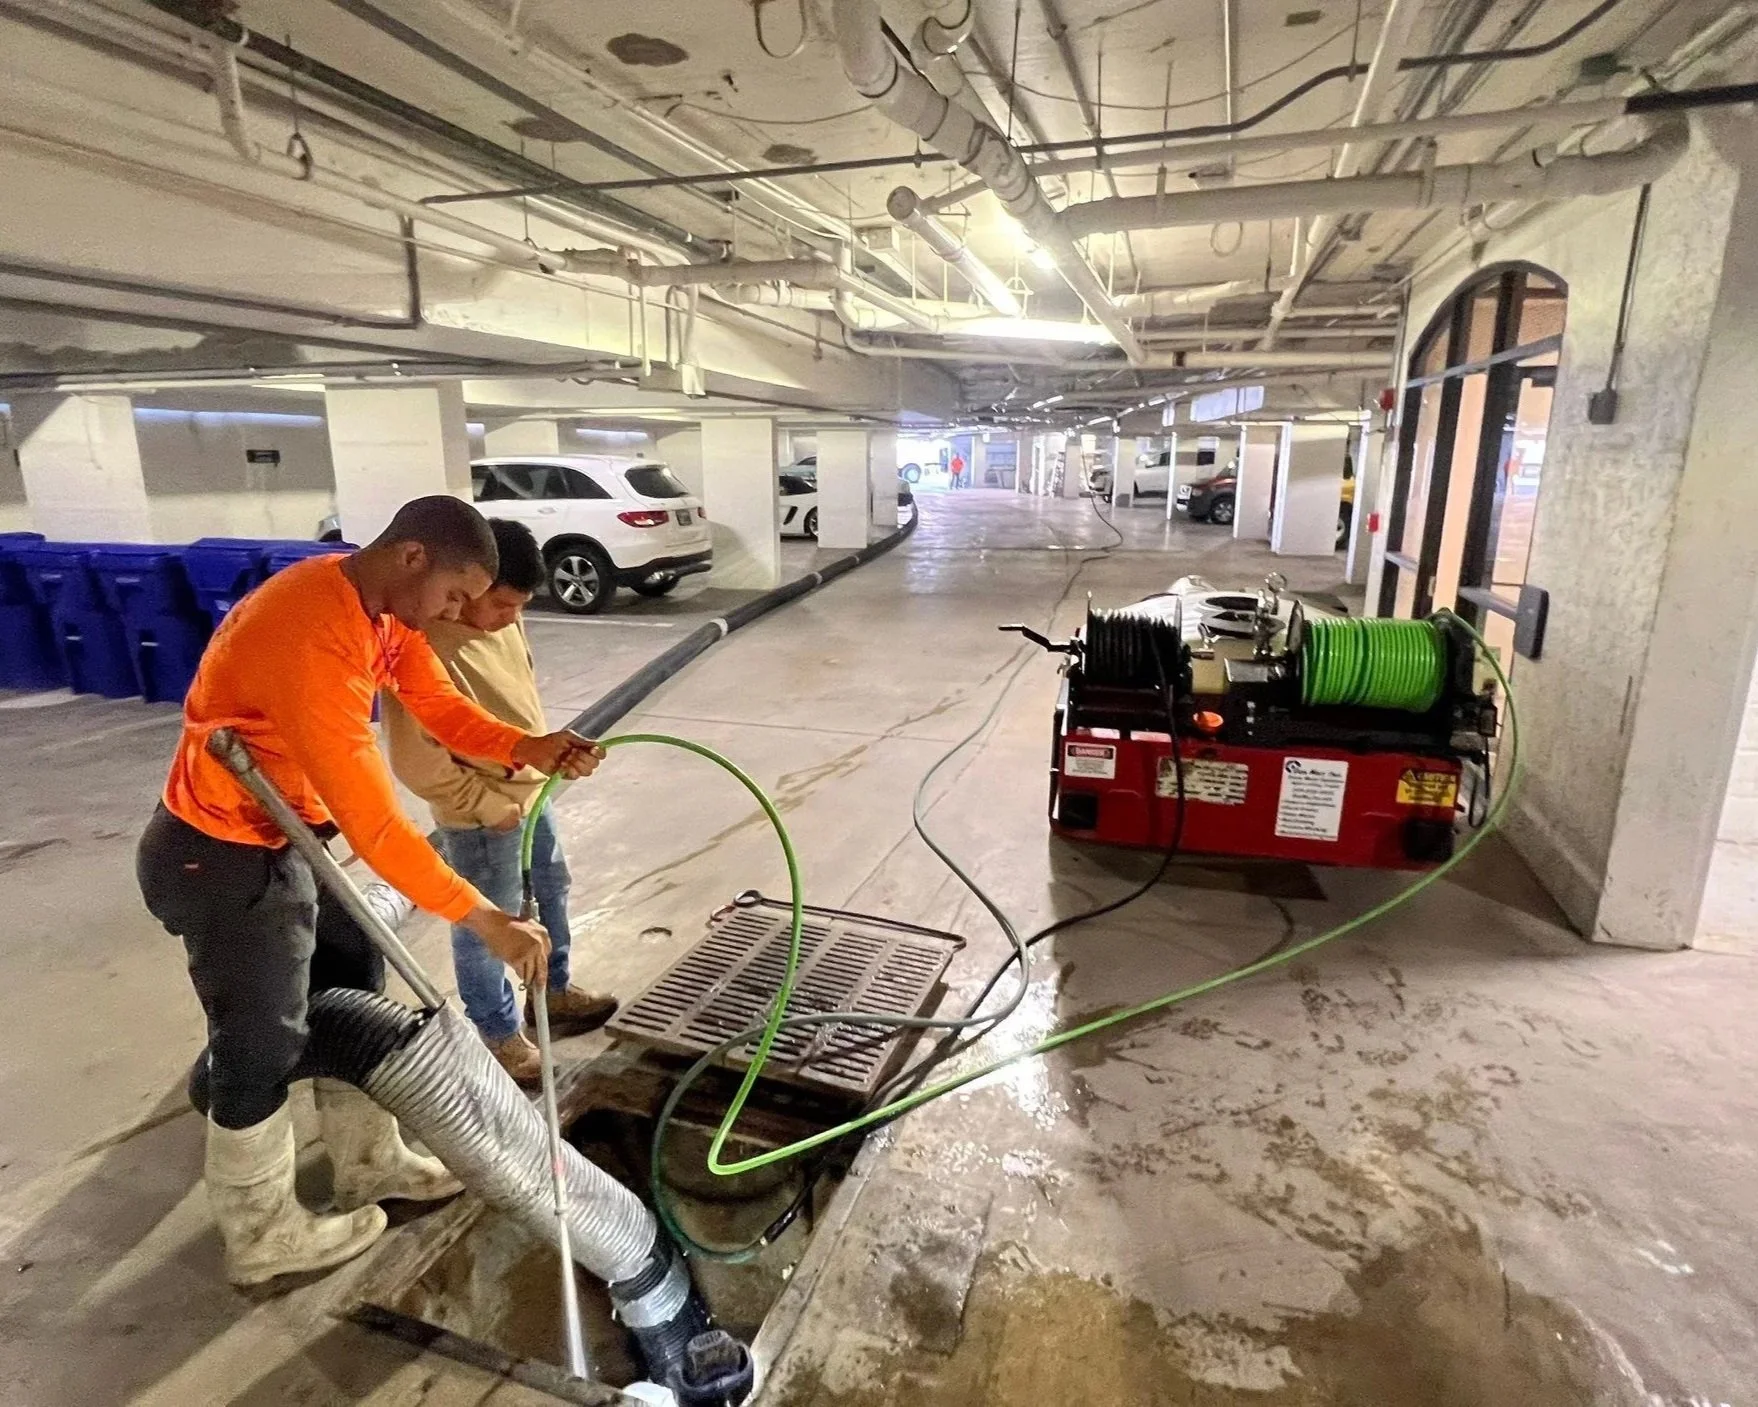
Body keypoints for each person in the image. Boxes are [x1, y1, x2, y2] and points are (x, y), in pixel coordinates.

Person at [136, 496, 602, 1287]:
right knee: (262, 1041)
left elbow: (441, 706)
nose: (457, 615)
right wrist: (485, 918)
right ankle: (260, 1234)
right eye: (455, 596)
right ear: (412, 556)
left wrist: (527, 744)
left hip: (286, 838)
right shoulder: (312, 634)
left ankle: (368, 1163)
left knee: (351, 981)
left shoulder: (379, 612)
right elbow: (380, 828)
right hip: (218, 854)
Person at [384, 519, 617, 1087]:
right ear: (469, 587)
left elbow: (516, 706)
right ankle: (496, 1032)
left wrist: (547, 756)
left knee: (552, 888)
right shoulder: (423, 645)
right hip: (481, 814)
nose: (513, 617)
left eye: (521, 606)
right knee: (490, 922)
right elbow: (415, 760)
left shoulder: (504, 622)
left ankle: (553, 991)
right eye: (504, 604)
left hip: (529, 792)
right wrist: (484, 805)